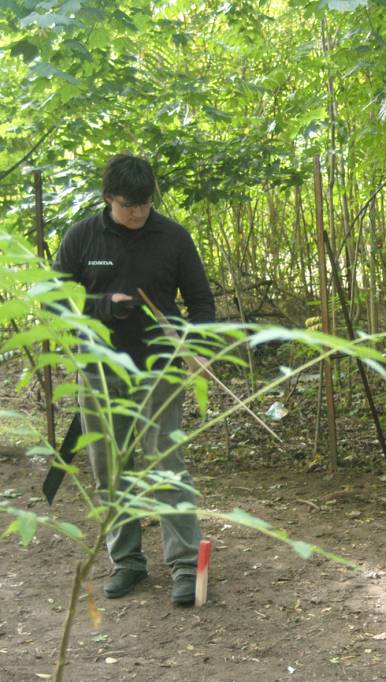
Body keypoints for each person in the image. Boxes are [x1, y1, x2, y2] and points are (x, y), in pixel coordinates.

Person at [53, 153, 215, 607]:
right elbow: (55, 301)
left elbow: (201, 301)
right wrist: (105, 306)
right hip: (99, 370)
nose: (138, 212)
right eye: (129, 205)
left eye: (145, 203)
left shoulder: (173, 237)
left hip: (160, 367)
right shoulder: (82, 237)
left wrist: (198, 346)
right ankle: (126, 561)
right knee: (110, 467)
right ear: (109, 198)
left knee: (166, 463)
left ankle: (185, 564)